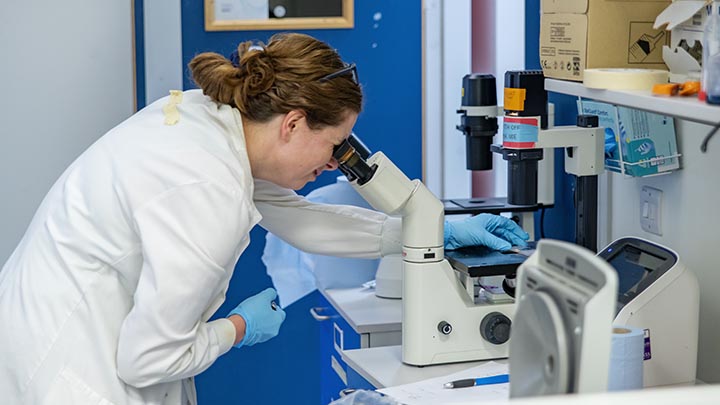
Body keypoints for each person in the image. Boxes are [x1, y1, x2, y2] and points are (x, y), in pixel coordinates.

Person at [0, 32, 528, 405]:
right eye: (335, 144)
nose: (334, 162)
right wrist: (237, 328)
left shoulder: (213, 124)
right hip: (77, 374)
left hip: (53, 330)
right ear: (294, 123)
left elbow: (299, 220)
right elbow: (148, 360)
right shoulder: (209, 191)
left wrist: (429, 229)